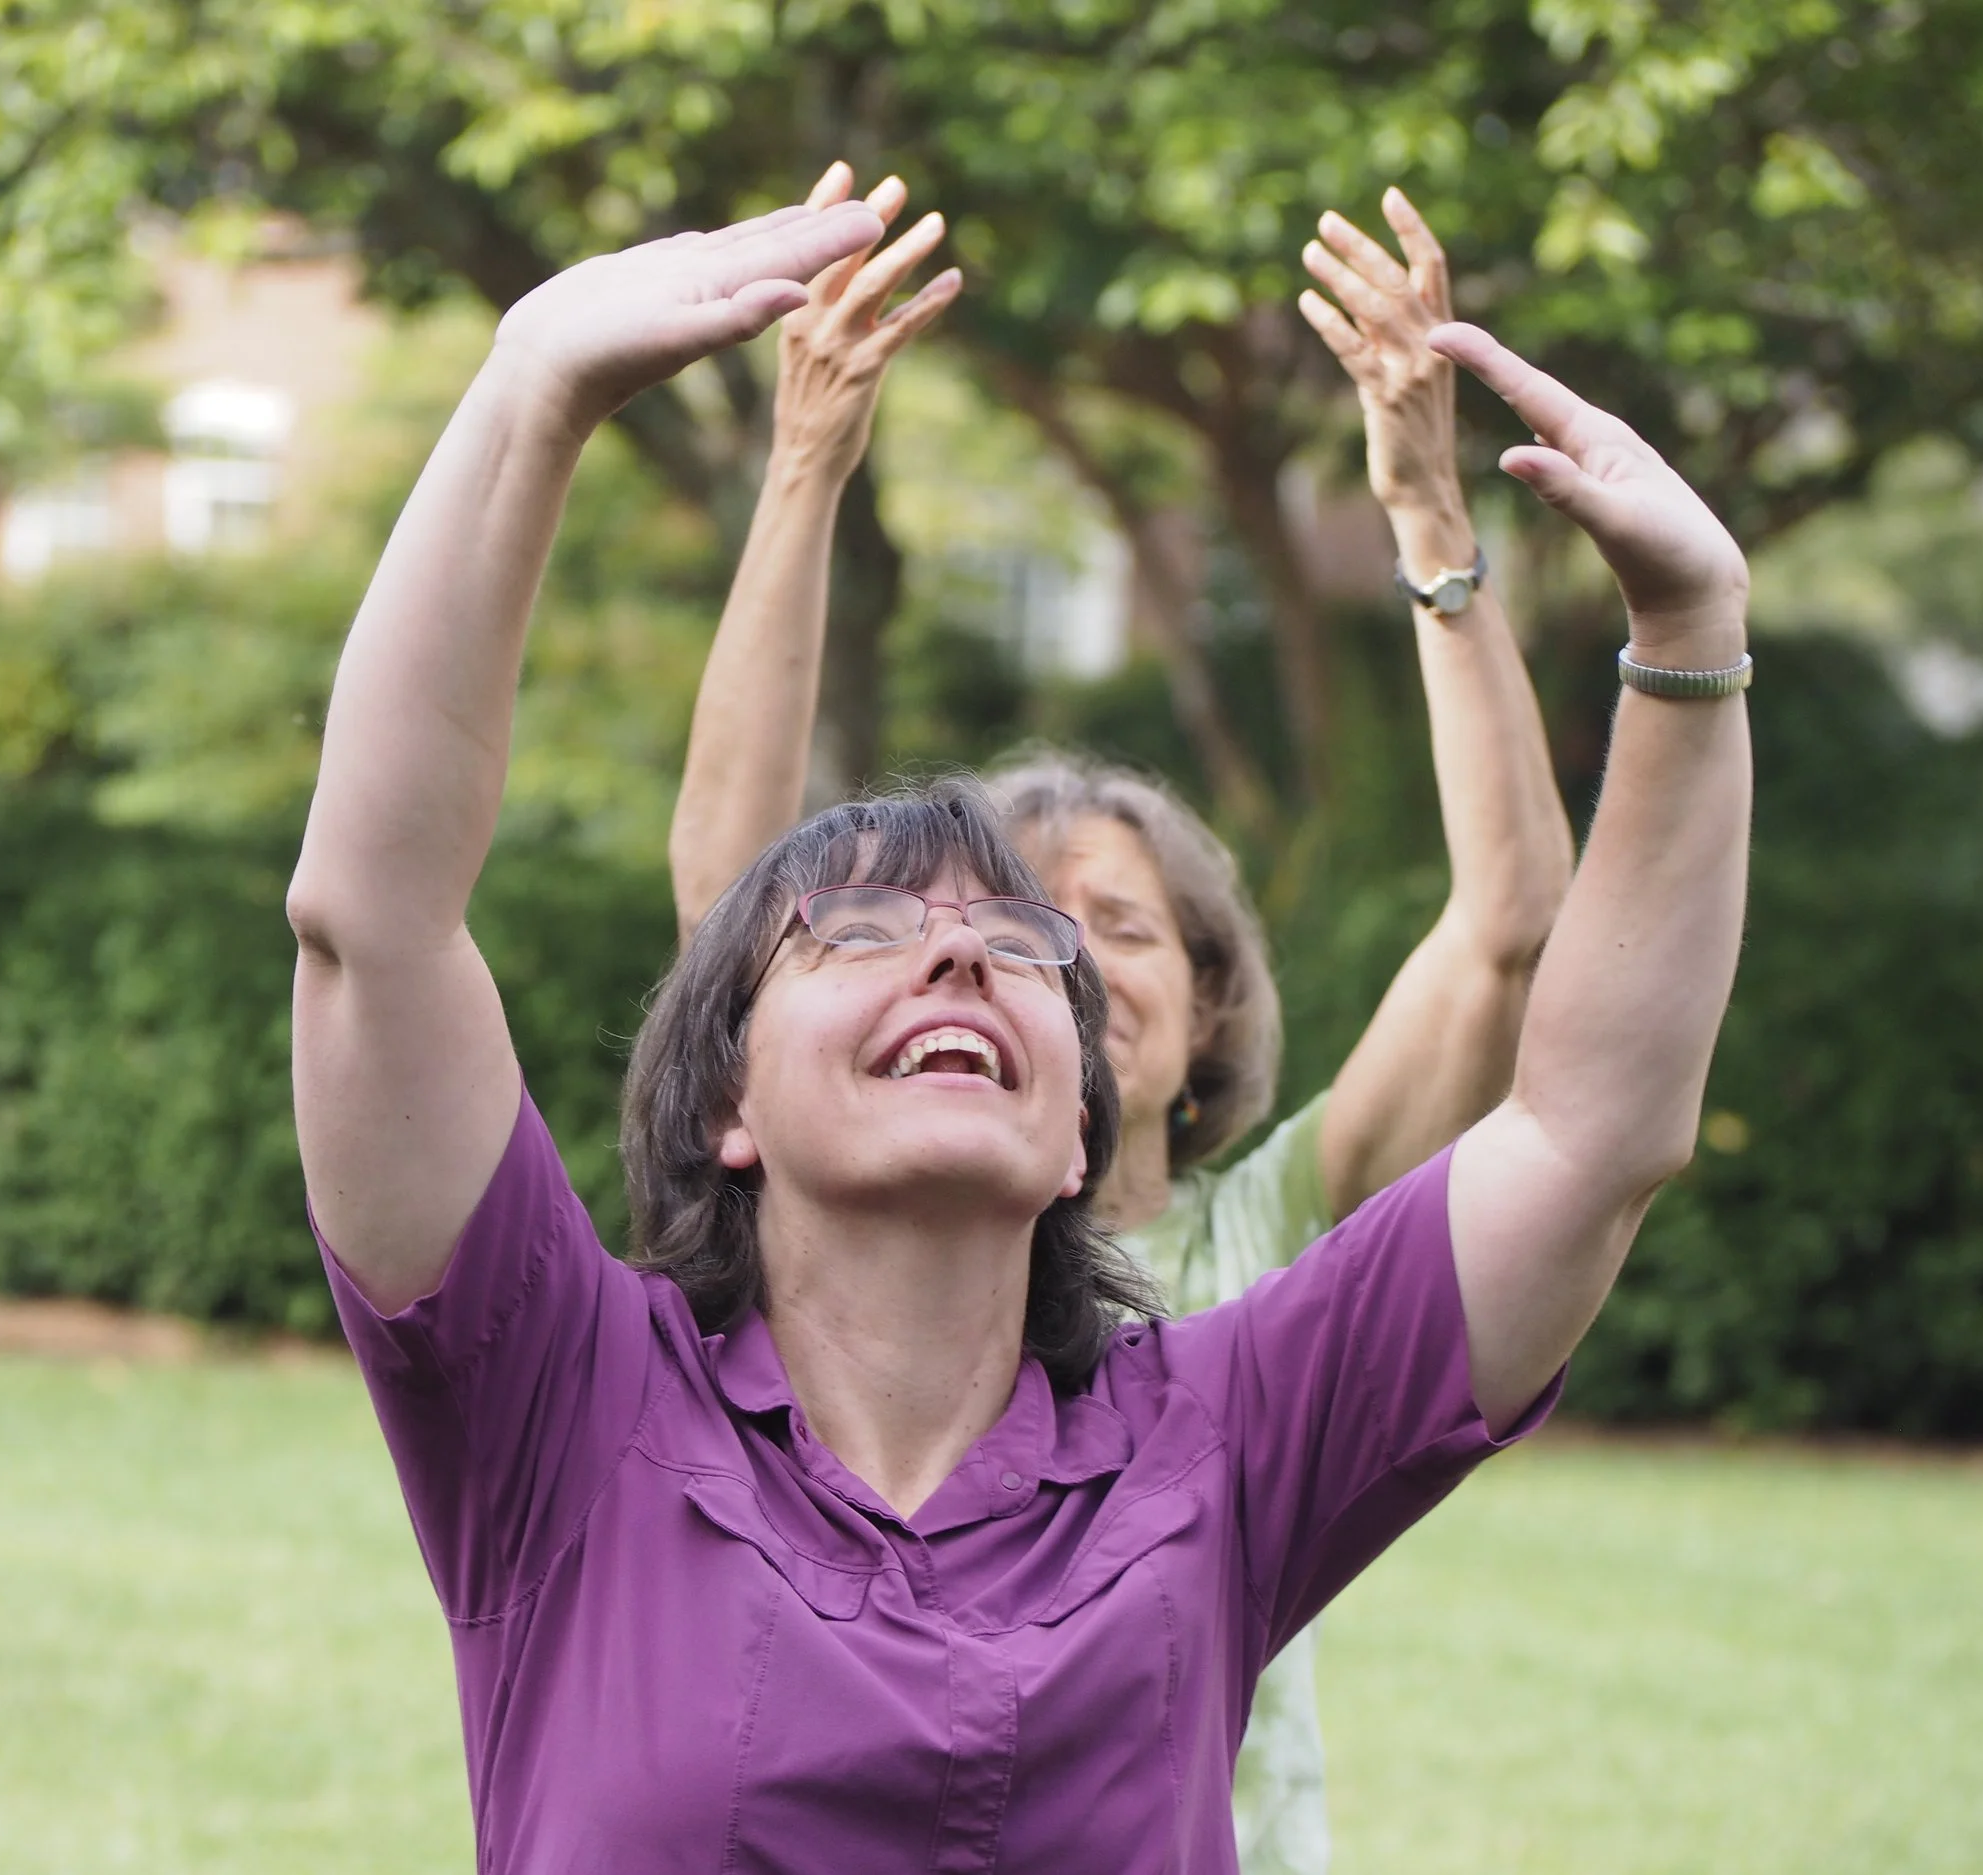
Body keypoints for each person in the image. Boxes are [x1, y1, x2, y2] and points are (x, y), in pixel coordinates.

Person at [286, 193, 1755, 1871]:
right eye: (863, 931)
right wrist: (528, 391)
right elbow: (372, 925)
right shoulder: (565, 1405)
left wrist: (1691, 646)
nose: (966, 960)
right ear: (728, 1105)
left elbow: (1589, 1131)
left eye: (1023, 945)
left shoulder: (1225, 1436)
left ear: (1082, 1129)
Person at [666, 167, 1579, 1871]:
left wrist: (1433, 523)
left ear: (1212, 996)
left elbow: (1513, 927)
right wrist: (804, 472)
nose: (1053, 966)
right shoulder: (849, 1242)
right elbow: (728, 894)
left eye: (1122, 928)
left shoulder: (1288, 1235)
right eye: (1013, 925)